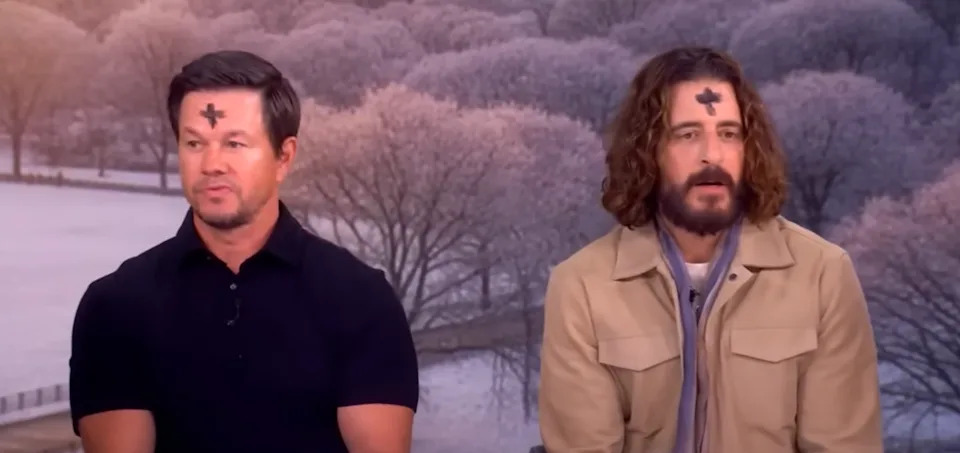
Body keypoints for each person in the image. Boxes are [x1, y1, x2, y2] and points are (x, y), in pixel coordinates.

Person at [68, 50, 419, 453]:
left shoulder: (359, 298)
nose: (212, 163)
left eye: (234, 143)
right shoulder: (116, 305)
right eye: (194, 142)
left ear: (283, 156)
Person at [537, 46, 883, 453]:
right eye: (688, 135)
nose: (713, 155)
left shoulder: (822, 274)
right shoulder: (582, 287)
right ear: (647, 151)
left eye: (729, 134)